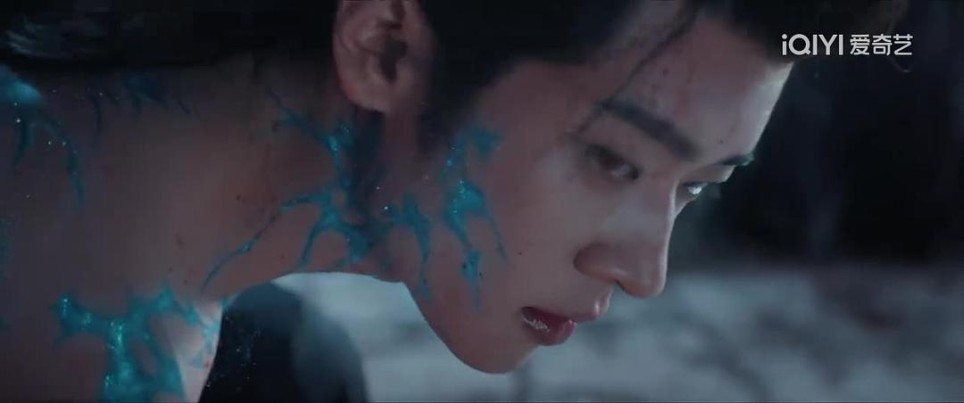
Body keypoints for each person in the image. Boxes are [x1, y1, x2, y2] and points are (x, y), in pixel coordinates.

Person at [0, 1, 902, 401]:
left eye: (699, 184)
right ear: (387, 46)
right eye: (613, 159)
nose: (644, 271)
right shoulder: (103, 354)